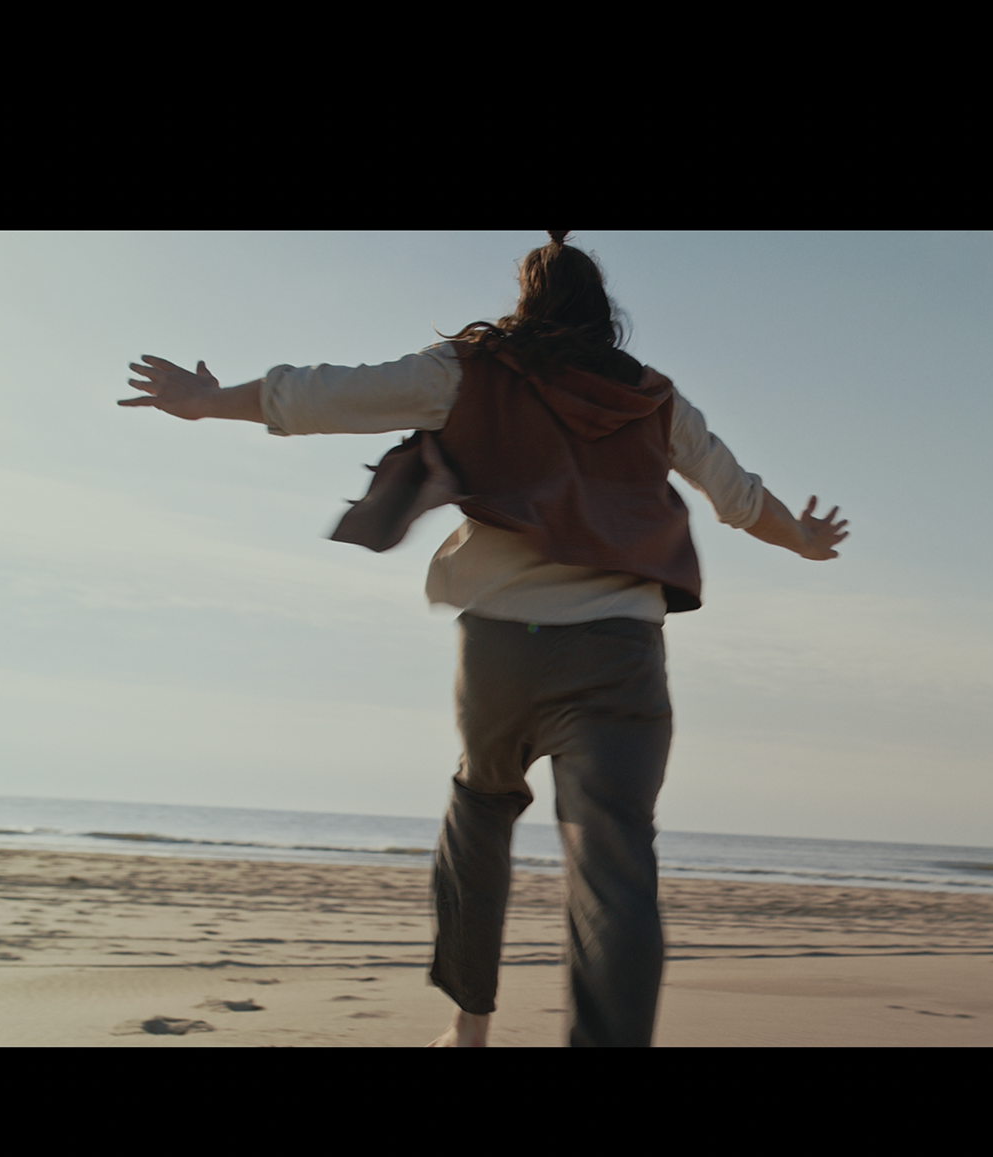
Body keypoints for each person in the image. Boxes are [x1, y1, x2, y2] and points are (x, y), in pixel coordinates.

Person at [119, 232, 847, 1046]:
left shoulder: (470, 369)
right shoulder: (656, 400)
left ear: (526, 298)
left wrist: (206, 399)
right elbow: (739, 497)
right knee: (615, 865)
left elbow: (331, 394)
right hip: (621, 656)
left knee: (480, 810)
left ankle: (469, 1023)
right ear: (603, 311)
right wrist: (804, 540)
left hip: (503, 648)